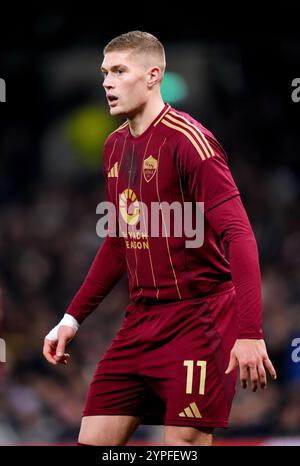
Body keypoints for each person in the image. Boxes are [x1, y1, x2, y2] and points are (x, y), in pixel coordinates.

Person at [43, 31, 277, 446]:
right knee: (91, 440)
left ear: (153, 76)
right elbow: (119, 241)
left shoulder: (191, 143)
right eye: (103, 73)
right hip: (140, 321)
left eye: (118, 71)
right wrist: (71, 318)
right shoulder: (113, 148)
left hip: (197, 320)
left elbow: (239, 234)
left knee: (181, 447)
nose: (107, 83)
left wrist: (250, 333)